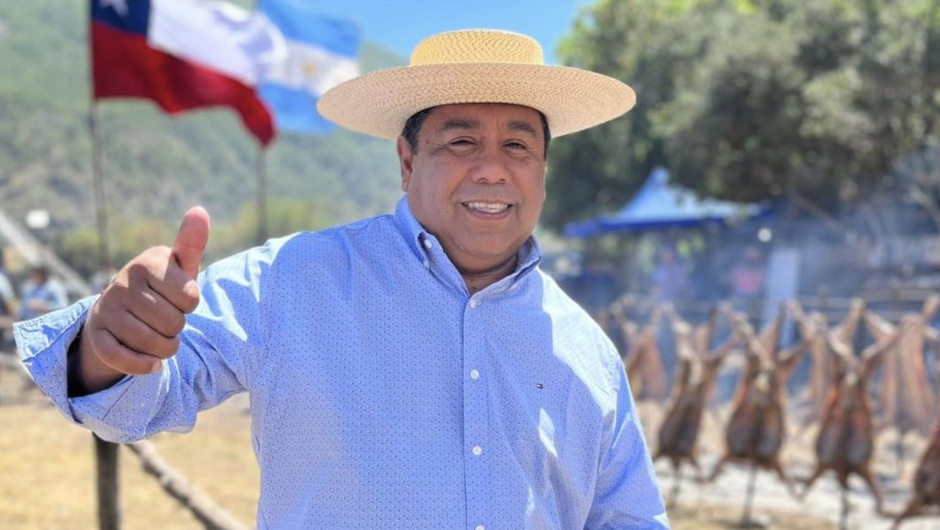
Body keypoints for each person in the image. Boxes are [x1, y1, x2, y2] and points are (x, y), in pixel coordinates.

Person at [15, 29, 669, 529]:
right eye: (461, 141)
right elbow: (140, 399)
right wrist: (108, 344)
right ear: (406, 161)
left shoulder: (587, 351)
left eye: (518, 145)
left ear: (543, 170)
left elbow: (627, 516)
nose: (493, 169)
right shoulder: (292, 280)